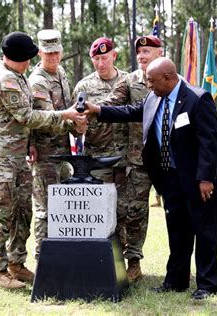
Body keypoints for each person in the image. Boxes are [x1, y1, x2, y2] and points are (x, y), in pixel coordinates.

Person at [85, 57, 217, 300]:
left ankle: (207, 284)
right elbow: (131, 112)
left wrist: (205, 179)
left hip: (199, 181)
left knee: (205, 232)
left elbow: (209, 143)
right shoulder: (154, 97)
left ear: (168, 78)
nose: (148, 85)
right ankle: (176, 281)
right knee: (177, 232)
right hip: (170, 179)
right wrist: (98, 110)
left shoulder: (198, 98)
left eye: (152, 80)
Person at [0, 31, 85, 289]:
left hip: (17, 155)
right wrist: (66, 116)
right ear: (12, 57)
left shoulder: (19, 76)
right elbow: (27, 116)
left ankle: (16, 263)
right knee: (0, 213)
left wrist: (32, 143)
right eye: (25, 58)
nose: (29, 62)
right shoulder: (5, 80)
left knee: (22, 211)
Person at [96, 35, 164, 282]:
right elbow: (111, 102)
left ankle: (180, 264)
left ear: (160, 52)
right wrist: (89, 111)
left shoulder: (171, 78)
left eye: (147, 51)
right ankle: (133, 261)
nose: (142, 56)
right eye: (139, 52)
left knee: (178, 213)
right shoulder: (130, 81)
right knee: (133, 210)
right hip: (139, 159)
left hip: (169, 160)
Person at [72, 37, 130, 254]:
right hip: (98, 158)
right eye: (96, 59)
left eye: (104, 58)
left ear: (114, 55)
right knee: (99, 209)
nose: (100, 63)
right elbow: (74, 122)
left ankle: (128, 260)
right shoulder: (84, 86)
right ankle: (99, 255)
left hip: (126, 156)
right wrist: (77, 126)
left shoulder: (129, 81)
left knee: (126, 209)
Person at [28, 29, 76, 260]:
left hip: (63, 153)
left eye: (56, 52)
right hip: (46, 155)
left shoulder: (61, 74)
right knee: (45, 211)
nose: (54, 58)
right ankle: (42, 261)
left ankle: (62, 255)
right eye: (48, 54)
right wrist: (75, 123)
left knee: (64, 206)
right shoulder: (38, 81)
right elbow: (46, 121)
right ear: (40, 53)